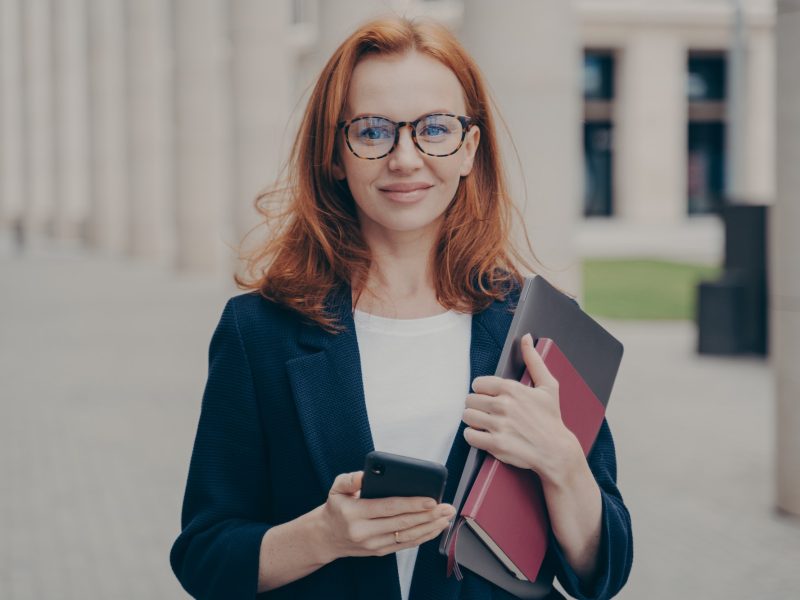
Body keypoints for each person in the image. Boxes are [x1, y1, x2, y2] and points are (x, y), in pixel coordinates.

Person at [169, 16, 632, 600]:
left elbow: (603, 574)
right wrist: (323, 536)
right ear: (335, 154)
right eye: (372, 131)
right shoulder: (259, 331)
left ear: (469, 149)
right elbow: (205, 556)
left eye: (435, 129)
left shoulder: (540, 325)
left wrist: (564, 464)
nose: (406, 158)